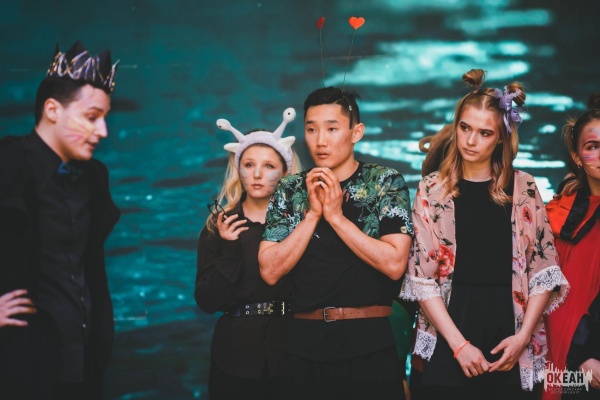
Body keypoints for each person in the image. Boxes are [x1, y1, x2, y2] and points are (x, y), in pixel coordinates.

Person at [399, 69, 569, 399]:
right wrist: (459, 345)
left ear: (501, 138)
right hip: (450, 330)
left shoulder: (524, 187)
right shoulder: (432, 189)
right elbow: (422, 278)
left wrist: (522, 338)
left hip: (511, 332)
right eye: (465, 128)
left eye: (484, 133)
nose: (471, 140)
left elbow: (543, 269)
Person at [258, 86, 414, 400]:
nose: (320, 140)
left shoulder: (384, 181)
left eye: (332, 129)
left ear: (356, 132)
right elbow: (270, 271)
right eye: (311, 129)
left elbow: (395, 264)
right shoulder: (289, 189)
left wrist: (337, 217)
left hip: (368, 343)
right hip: (303, 345)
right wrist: (313, 215)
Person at [0, 41, 120, 399]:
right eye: (92, 117)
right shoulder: (8, 163)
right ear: (52, 110)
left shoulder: (95, 176)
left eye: (105, 118)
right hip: (20, 364)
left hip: (82, 360)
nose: (103, 131)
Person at [195, 108, 301, 399]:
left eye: (268, 166)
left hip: (291, 350)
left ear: (285, 172)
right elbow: (206, 302)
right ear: (237, 168)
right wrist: (230, 250)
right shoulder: (218, 226)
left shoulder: (301, 225)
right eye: (249, 164)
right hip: (234, 355)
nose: (256, 174)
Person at [543, 94, 600, 399]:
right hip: (571, 359)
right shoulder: (557, 216)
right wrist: (583, 357)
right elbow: (550, 298)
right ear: (577, 157)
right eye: (593, 146)